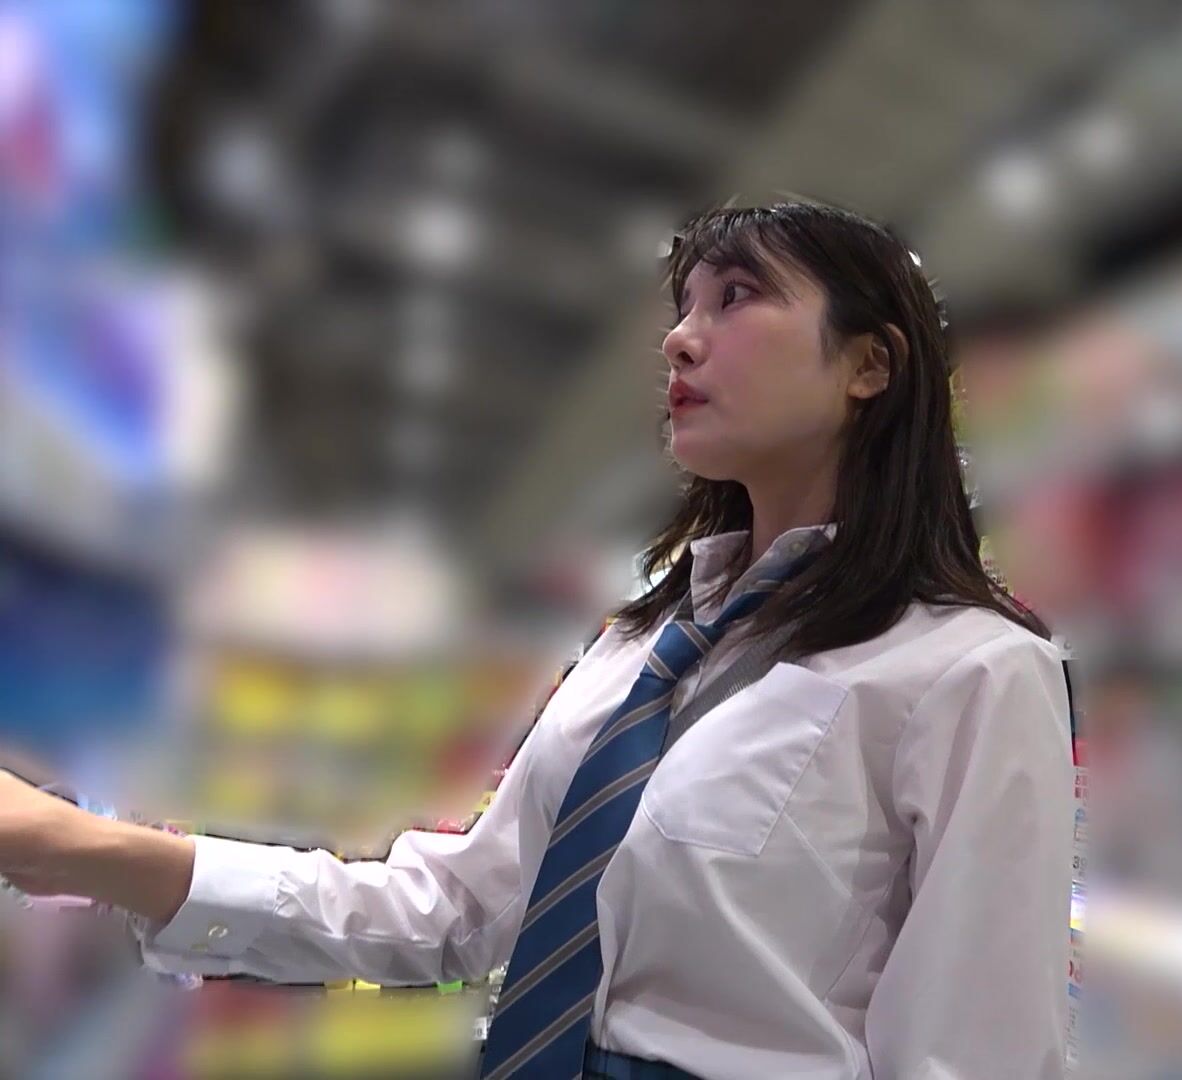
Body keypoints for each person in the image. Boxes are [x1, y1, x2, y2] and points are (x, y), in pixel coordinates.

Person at [0, 203, 1076, 1079]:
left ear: (870, 366)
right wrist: (83, 847)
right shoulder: (641, 649)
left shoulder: (971, 671)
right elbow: (456, 911)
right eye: (683, 307)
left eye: (738, 298)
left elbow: (974, 1057)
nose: (679, 337)